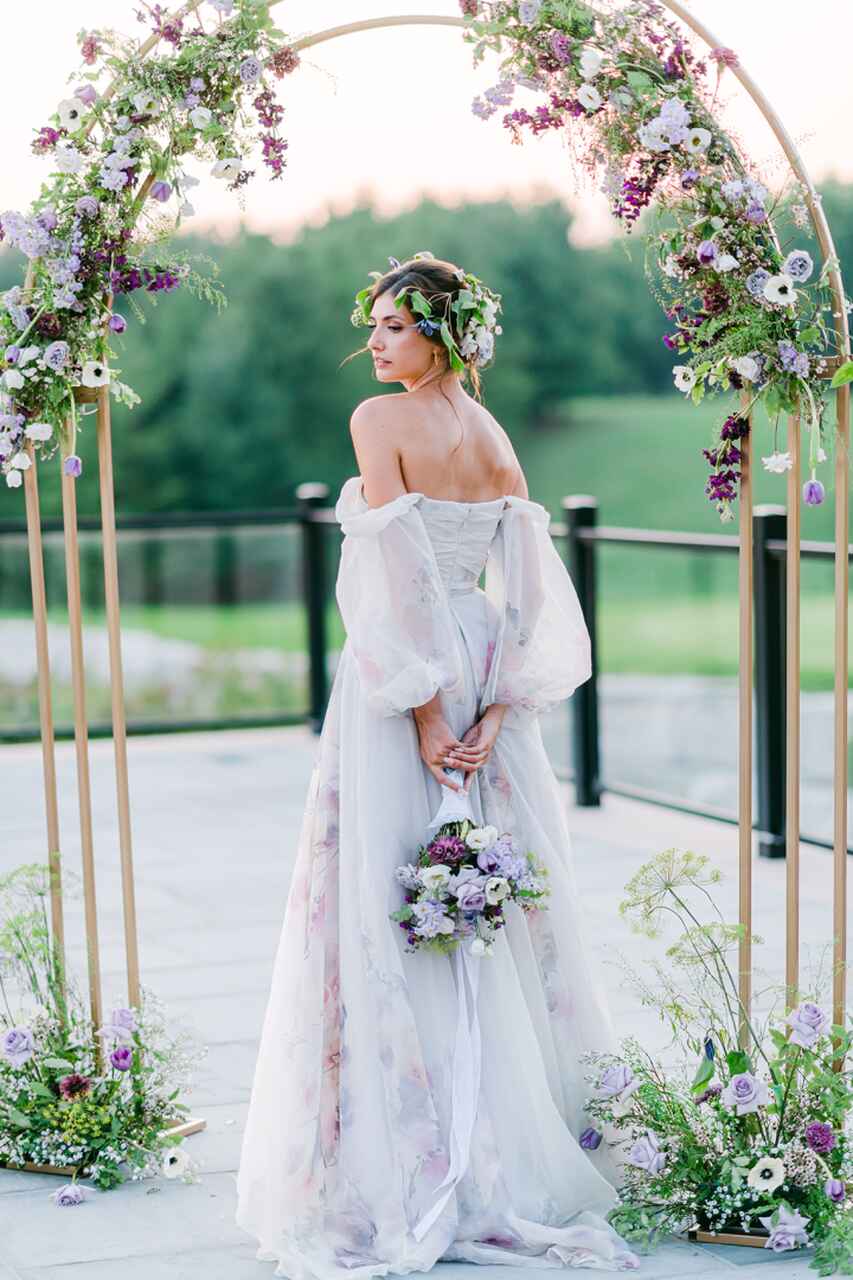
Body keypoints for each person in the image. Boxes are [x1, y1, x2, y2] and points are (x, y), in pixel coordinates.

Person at [234, 252, 641, 1276]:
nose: (374, 344)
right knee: (491, 907)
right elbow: (529, 595)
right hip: (481, 659)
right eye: (373, 326)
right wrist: (496, 708)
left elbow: (390, 571)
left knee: (383, 893)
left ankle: (409, 1156)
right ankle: (492, 1144)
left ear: (444, 336)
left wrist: (421, 709)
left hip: (407, 672)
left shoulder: (378, 426)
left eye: (394, 329)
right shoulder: (494, 435)